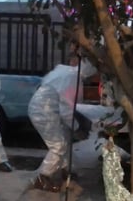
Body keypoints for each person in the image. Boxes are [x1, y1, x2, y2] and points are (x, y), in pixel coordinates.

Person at [28, 52, 97, 192]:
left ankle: (67, 170)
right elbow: (66, 110)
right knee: (58, 146)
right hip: (44, 112)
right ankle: (42, 177)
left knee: (65, 137)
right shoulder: (73, 78)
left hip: (44, 108)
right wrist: (78, 128)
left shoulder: (65, 70)